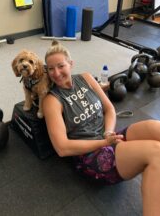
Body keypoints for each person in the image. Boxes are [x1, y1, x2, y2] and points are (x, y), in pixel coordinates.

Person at [42, 40, 160, 216]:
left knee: (155, 127)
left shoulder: (86, 78)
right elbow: (62, 148)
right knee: (156, 153)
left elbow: (109, 109)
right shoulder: (51, 101)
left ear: (71, 64)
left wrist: (108, 133)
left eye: (61, 66)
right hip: (92, 156)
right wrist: (103, 142)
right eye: (51, 68)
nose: (56, 73)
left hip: (108, 137)